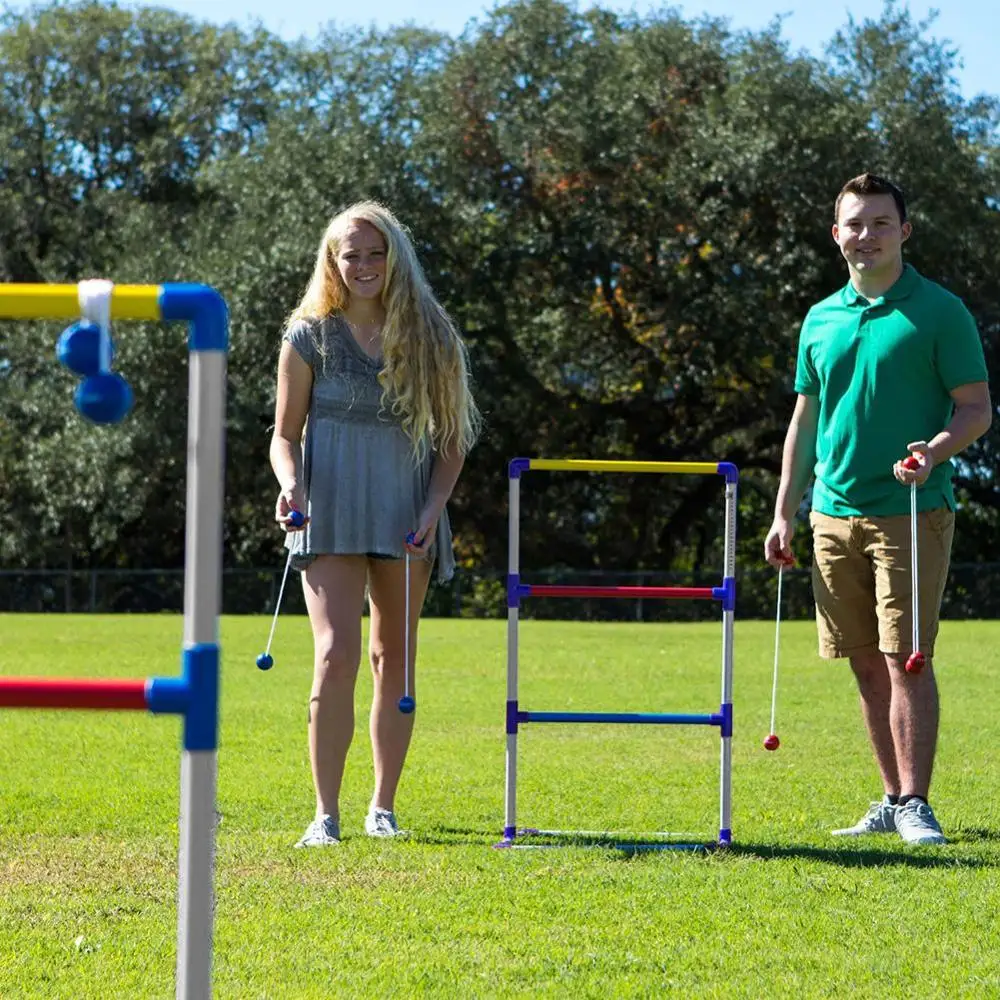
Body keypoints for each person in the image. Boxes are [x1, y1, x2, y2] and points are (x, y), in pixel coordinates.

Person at [764, 173, 991, 846]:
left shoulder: (940, 311)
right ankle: (891, 798)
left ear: (904, 231)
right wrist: (783, 512)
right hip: (832, 515)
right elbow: (803, 422)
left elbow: (976, 408)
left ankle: (917, 802)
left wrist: (936, 451)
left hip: (912, 511)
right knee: (864, 661)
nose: (867, 235)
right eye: (855, 224)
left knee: (907, 658)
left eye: (880, 223)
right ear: (837, 235)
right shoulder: (820, 318)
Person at [269, 200, 480, 847]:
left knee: (395, 657)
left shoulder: (431, 335)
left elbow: (453, 438)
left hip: (406, 514)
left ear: (395, 257)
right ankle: (324, 815)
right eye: (349, 254)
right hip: (326, 509)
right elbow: (284, 435)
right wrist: (291, 484)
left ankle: (382, 808)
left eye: (374, 252)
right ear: (331, 262)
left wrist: (433, 506)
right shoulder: (307, 336)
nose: (362, 265)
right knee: (334, 655)